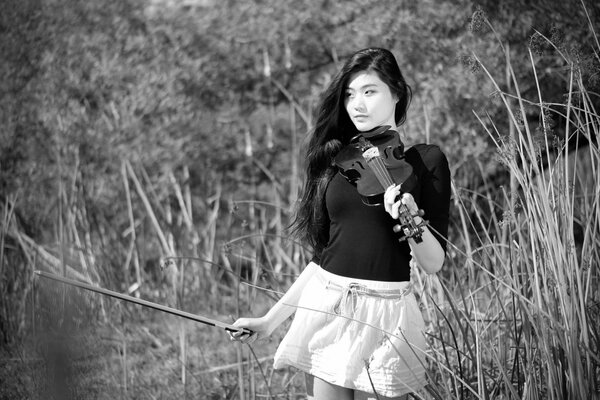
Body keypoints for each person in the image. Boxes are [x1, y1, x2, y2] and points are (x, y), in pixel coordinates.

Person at [231, 47, 451, 400]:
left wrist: (411, 220)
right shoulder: (340, 162)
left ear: (396, 93)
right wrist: (268, 322)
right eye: (349, 94)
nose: (357, 104)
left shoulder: (426, 161)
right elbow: (325, 258)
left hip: (386, 316)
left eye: (369, 91)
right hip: (330, 305)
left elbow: (433, 263)